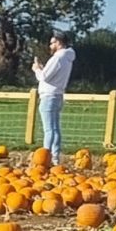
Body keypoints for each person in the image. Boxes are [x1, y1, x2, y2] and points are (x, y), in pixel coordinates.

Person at [33, 29, 76, 163]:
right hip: (58, 95)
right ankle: (55, 156)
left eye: (52, 43)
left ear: (58, 42)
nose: (50, 46)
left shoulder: (57, 58)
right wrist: (43, 68)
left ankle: (45, 157)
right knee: (55, 128)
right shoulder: (68, 58)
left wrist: (37, 69)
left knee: (49, 129)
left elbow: (44, 77)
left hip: (48, 96)